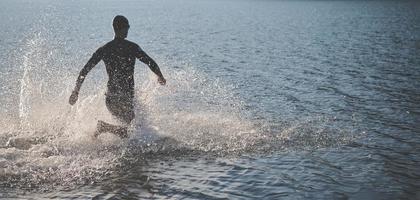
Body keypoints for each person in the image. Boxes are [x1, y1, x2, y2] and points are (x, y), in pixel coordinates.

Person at [69, 15, 166, 138]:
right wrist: (160, 76)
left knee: (131, 131)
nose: (128, 30)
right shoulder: (132, 47)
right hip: (123, 97)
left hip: (111, 98)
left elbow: (84, 71)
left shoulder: (104, 49)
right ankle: (104, 127)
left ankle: (108, 131)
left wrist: (75, 92)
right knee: (132, 131)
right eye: (127, 27)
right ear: (122, 28)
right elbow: (150, 62)